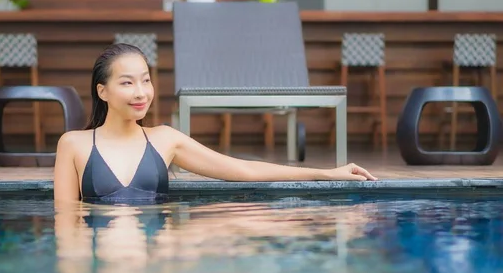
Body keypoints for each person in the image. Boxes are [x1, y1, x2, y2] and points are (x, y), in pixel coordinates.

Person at [53, 43, 377, 205]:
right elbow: (66, 219)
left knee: (245, 216)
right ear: (103, 90)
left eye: (146, 81)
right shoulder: (74, 144)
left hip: (157, 254)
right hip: (105, 256)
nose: (141, 93)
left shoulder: (165, 140)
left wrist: (326, 173)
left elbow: (243, 170)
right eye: (127, 83)